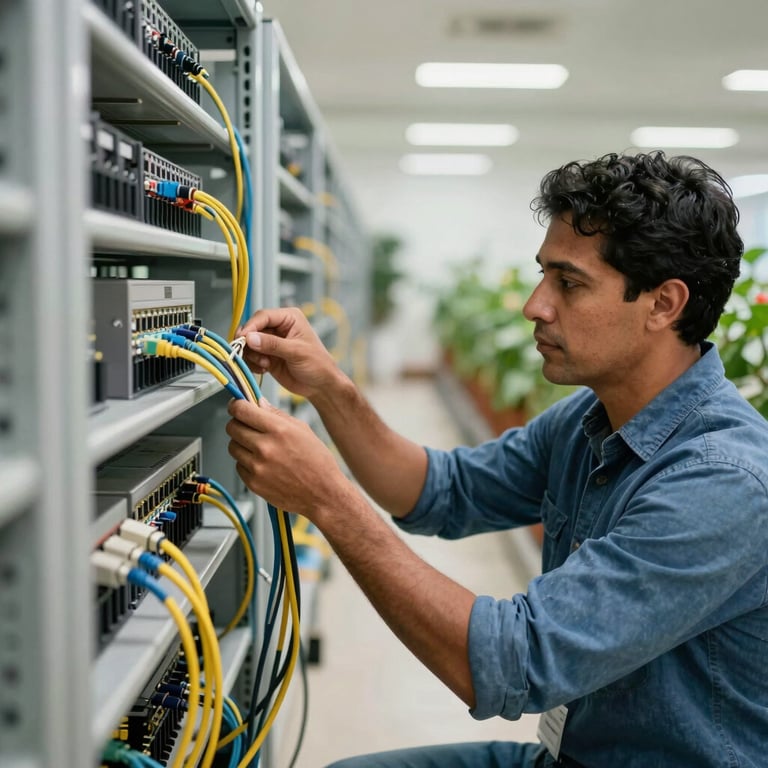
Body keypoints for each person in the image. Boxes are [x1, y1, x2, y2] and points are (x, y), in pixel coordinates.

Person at [225, 151, 768, 768]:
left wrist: (327, 498)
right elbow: (438, 491)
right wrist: (331, 390)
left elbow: (513, 662)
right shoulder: (592, 418)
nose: (535, 305)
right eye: (543, 276)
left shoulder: (722, 480)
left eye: (569, 283)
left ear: (664, 305)